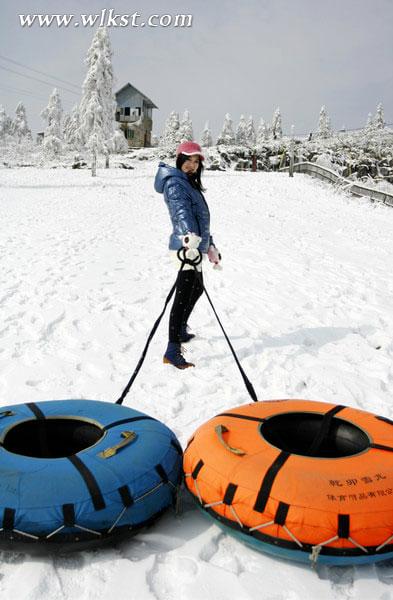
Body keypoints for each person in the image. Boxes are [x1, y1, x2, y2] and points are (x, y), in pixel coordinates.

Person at [154, 141, 221, 369]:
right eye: (188, 160)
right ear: (179, 159)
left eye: (196, 162)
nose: (192, 165)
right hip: (186, 247)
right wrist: (190, 239)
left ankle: (181, 329)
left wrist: (209, 245)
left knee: (197, 288)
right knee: (182, 296)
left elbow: (201, 219)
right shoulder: (175, 184)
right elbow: (181, 212)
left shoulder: (189, 183)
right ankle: (172, 350)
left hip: (195, 245)